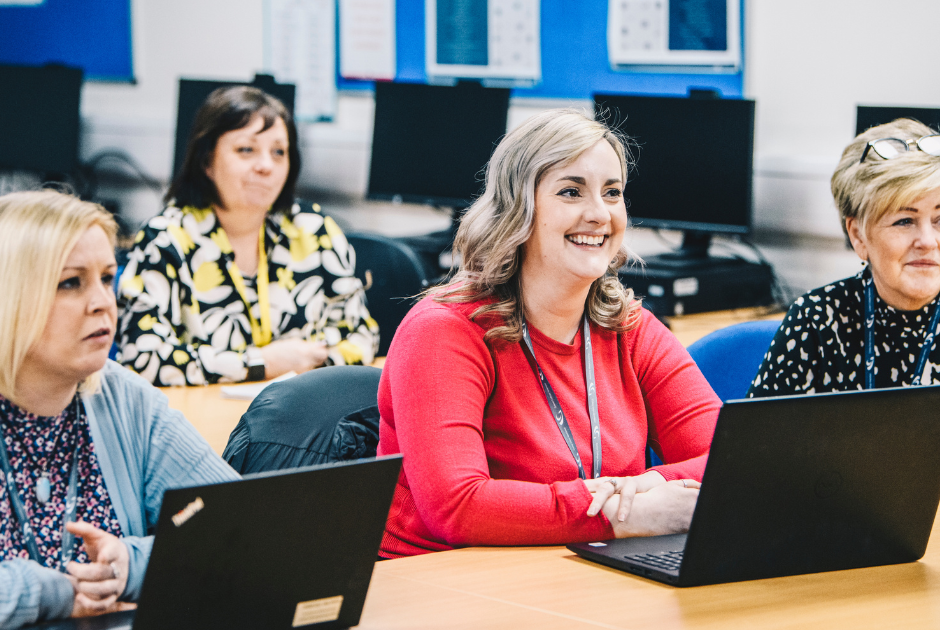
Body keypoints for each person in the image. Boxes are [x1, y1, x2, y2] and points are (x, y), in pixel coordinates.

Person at [375, 109, 721, 558]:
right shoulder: (443, 332)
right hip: (445, 583)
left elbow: (731, 461)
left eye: (612, 193)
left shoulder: (630, 328)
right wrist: (621, 513)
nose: (599, 214)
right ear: (518, 208)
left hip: (579, 568)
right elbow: (458, 507)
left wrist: (650, 484)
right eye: (571, 192)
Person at [0, 191, 239, 628]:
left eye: (107, 278)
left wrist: (130, 565)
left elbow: (240, 527)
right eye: (71, 282)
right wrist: (50, 592)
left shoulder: (124, 398)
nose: (102, 302)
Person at [117, 86, 378, 386]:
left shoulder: (314, 231)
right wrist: (262, 363)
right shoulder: (166, 239)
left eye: (279, 152)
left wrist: (307, 364)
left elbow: (363, 335)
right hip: (203, 420)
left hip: (300, 419)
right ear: (206, 162)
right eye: (246, 150)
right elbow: (142, 359)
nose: (266, 166)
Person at [749, 118, 940, 397]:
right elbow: (757, 439)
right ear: (858, 236)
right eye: (904, 220)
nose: (928, 241)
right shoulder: (816, 320)